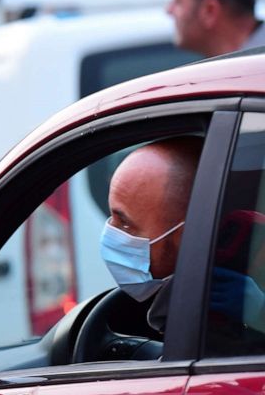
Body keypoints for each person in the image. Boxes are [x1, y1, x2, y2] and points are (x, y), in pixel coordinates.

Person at [100, 137, 265, 334]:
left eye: (126, 225)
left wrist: (260, 314)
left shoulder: (221, 309)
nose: (110, 232)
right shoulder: (171, 299)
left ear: (188, 237)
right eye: (112, 218)